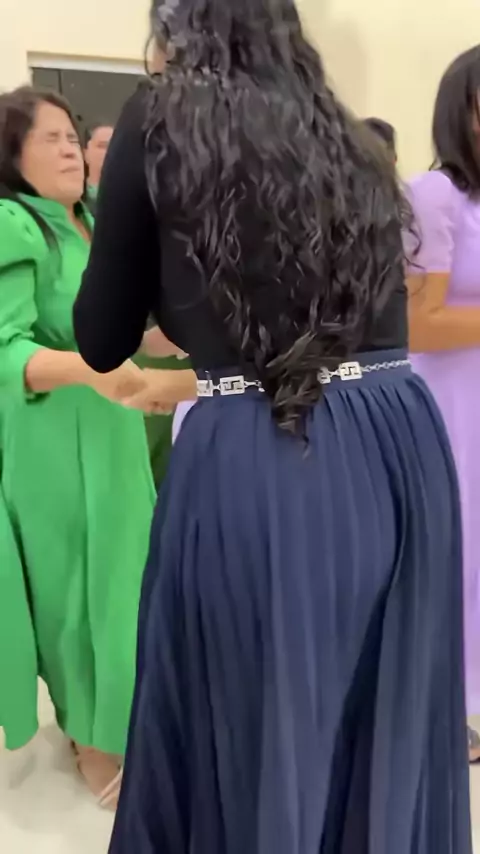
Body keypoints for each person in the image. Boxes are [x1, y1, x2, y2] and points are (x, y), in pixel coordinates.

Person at [74, 1, 471, 850]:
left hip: (267, 447)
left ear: (175, 31)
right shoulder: (350, 139)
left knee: (259, 719)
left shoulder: (159, 117)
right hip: (398, 438)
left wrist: (177, 302)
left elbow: (101, 335)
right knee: (381, 715)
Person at [0, 86, 155, 808]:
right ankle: (92, 740)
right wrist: (93, 370)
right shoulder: (13, 224)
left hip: (114, 429)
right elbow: (8, 350)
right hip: (53, 439)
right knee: (73, 592)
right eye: (51, 139)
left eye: (73, 137)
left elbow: (118, 327)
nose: (70, 150)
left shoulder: (92, 221)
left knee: (124, 586)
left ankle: (117, 719)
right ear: (12, 154)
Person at [407, 44, 480, 764]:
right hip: (447, 403)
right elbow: (415, 323)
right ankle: (440, 710)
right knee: (450, 555)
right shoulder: (433, 196)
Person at [84, 122, 114, 213]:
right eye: (102, 146)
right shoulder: (74, 200)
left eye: (115, 146)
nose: (110, 151)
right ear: (85, 153)